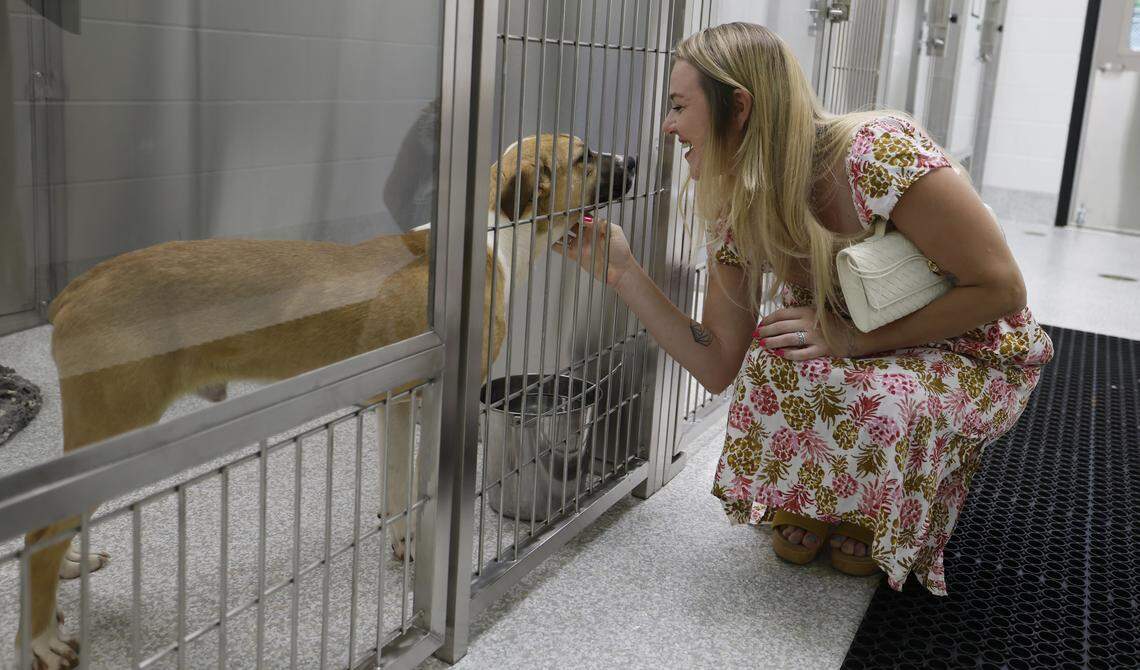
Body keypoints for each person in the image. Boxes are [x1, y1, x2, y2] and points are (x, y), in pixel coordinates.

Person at [553, 22, 1053, 595]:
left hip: (970, 345)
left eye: (678, 106)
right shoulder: (738, 200)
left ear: (738, 107)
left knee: (887, 395)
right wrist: (623, 274)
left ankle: (869, 510)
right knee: (774, 358)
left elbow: (1002, 290)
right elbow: (718, 364)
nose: (668, 127)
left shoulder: (877, 153)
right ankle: (821, 498)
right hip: (854, 332)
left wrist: (851, 338)